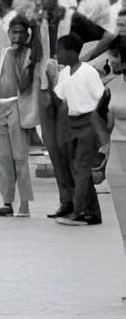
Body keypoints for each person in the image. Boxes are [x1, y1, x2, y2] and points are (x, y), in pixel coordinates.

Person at [0, 17, 37, 218]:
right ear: (8, 33)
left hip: (17, 108)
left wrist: (20, 59)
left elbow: (23, 84)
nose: (17, 36)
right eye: (14, 32)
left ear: (27, 35)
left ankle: (24, 204)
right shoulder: (3, 53)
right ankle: (7, 202)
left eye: (21, 33)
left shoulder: (29, 55)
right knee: (2, 159)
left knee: (20, 158)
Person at [51, 33, 105, 226]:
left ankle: (80, 210)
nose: (57, 55)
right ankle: (92, 211)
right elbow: (61, 97)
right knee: (76, 168)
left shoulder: (88, 72)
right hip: (71, 123)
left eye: (60, 51)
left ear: (72, 52)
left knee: (81, 169)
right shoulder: (64, 73)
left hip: (88, 123)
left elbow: (102, 97)